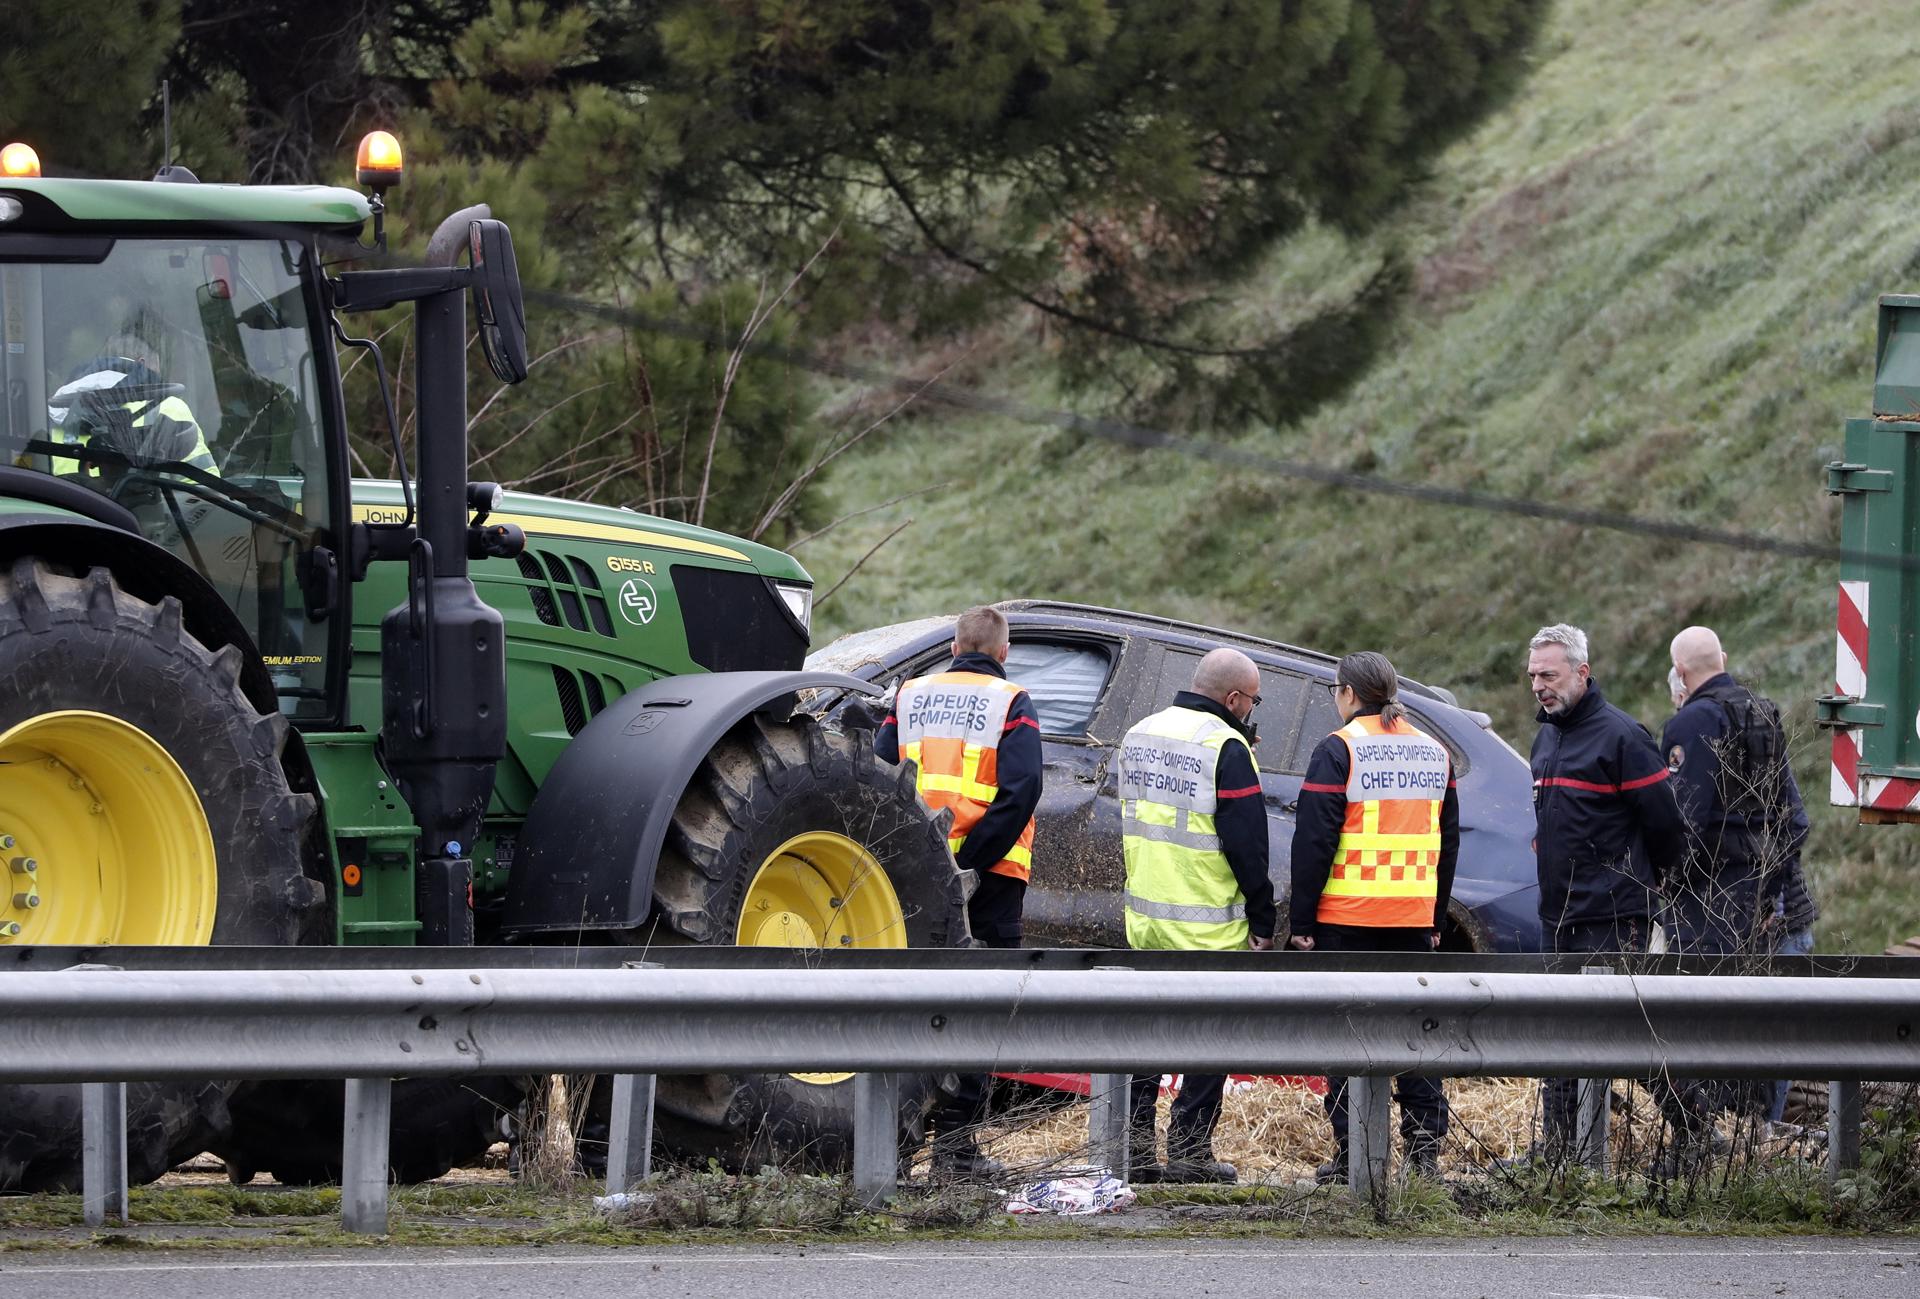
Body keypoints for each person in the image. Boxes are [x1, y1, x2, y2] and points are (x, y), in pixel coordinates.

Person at [875, 604, 1043, 1179]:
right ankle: (955, 1149)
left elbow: (879, 776)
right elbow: (1021, 791)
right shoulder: (1012, 701)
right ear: (1003, 652)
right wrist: (967, 863)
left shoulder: (910, 695)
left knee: (910, 1003)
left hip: (910, 875)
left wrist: (929, 862)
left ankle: (891, 1149)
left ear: (953, 646)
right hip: (990, 878)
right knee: (980, 1006)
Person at [1289, 651, 1458, 1183]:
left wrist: (1302, 924)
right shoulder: (1435, 752)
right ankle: (1424, 1156)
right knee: (1415, 1037)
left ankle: (1353, 1156)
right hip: (1410, 921)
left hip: (1346, 919)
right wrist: (1434, 919)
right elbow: (1446, 845)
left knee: (1350, 1037)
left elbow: (1314, 841)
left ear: (1347, 694)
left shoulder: (1339, 749)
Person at [1525, 622, 1690, 1160]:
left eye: (1548, 675)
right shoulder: (1545, 735)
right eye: (1532, 676)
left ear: (1582, 672)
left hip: (1614, 916)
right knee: (1558, 1037)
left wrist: (1646, 886)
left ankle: (1696, 1128)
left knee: (1625, 1034)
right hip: (1560, 915)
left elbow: (1666, 828)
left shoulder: (1623, 737)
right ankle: (1557, 1151)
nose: (1538, 686)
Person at [1120, 646, 1275, 1185]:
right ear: (1233, 698)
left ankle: (1134, 1151)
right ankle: (1188, 1153)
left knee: (1143, 1041)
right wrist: (1262, 916)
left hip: (1145, 919)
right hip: (1208, 925)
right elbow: (1248, 843)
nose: (1253, 711)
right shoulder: (1226, 746)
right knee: (1211, 1038)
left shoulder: (1141, 732)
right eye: (1253, 701)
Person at [1663, 625, 1817, 1128]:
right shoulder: (1763, 715)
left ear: (1681, 673)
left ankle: (1719, 1149)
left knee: (1714, 1041)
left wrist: (1667, 892)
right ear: (1722, 658)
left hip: (1717, 916)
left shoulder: (1693, 723)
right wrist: (1769, 898)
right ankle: (1762, 1147)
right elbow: (1793, 820)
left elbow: (1684, 825)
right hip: (1780, 912)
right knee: (1771, 1041)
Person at [45, 332, 216, 477]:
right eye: (156, 366)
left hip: (67, 512)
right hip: (141, 512)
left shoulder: (55, 411)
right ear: (141, 363)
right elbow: (205, 486)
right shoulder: (167, 405)